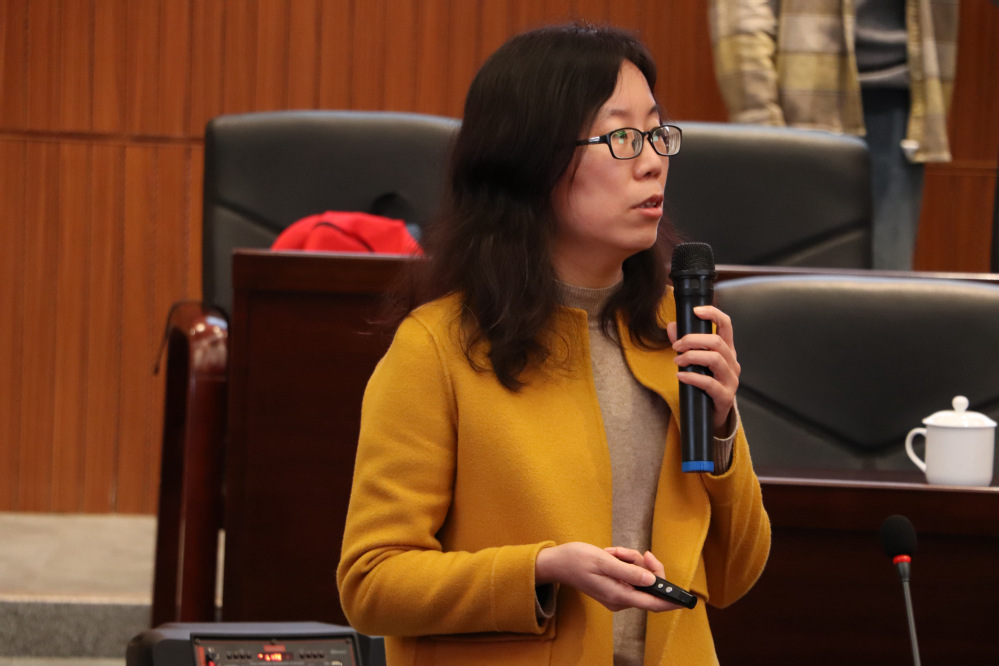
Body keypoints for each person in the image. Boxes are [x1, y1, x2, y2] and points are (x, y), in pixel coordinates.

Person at [336, 23, 771, 665]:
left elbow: (735, 576)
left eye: (657, 133)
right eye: (621, 137)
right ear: (532, 159)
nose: (652, 161)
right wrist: (540, 570)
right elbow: (371, 583)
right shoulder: (438, 347)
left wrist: (724, 427)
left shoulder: (674, 330)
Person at [708, 0, 960, 271]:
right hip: (799, 110)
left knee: (886, 280)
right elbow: (740, 13)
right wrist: (761, 122)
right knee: (795, 278)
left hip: (901, 108)